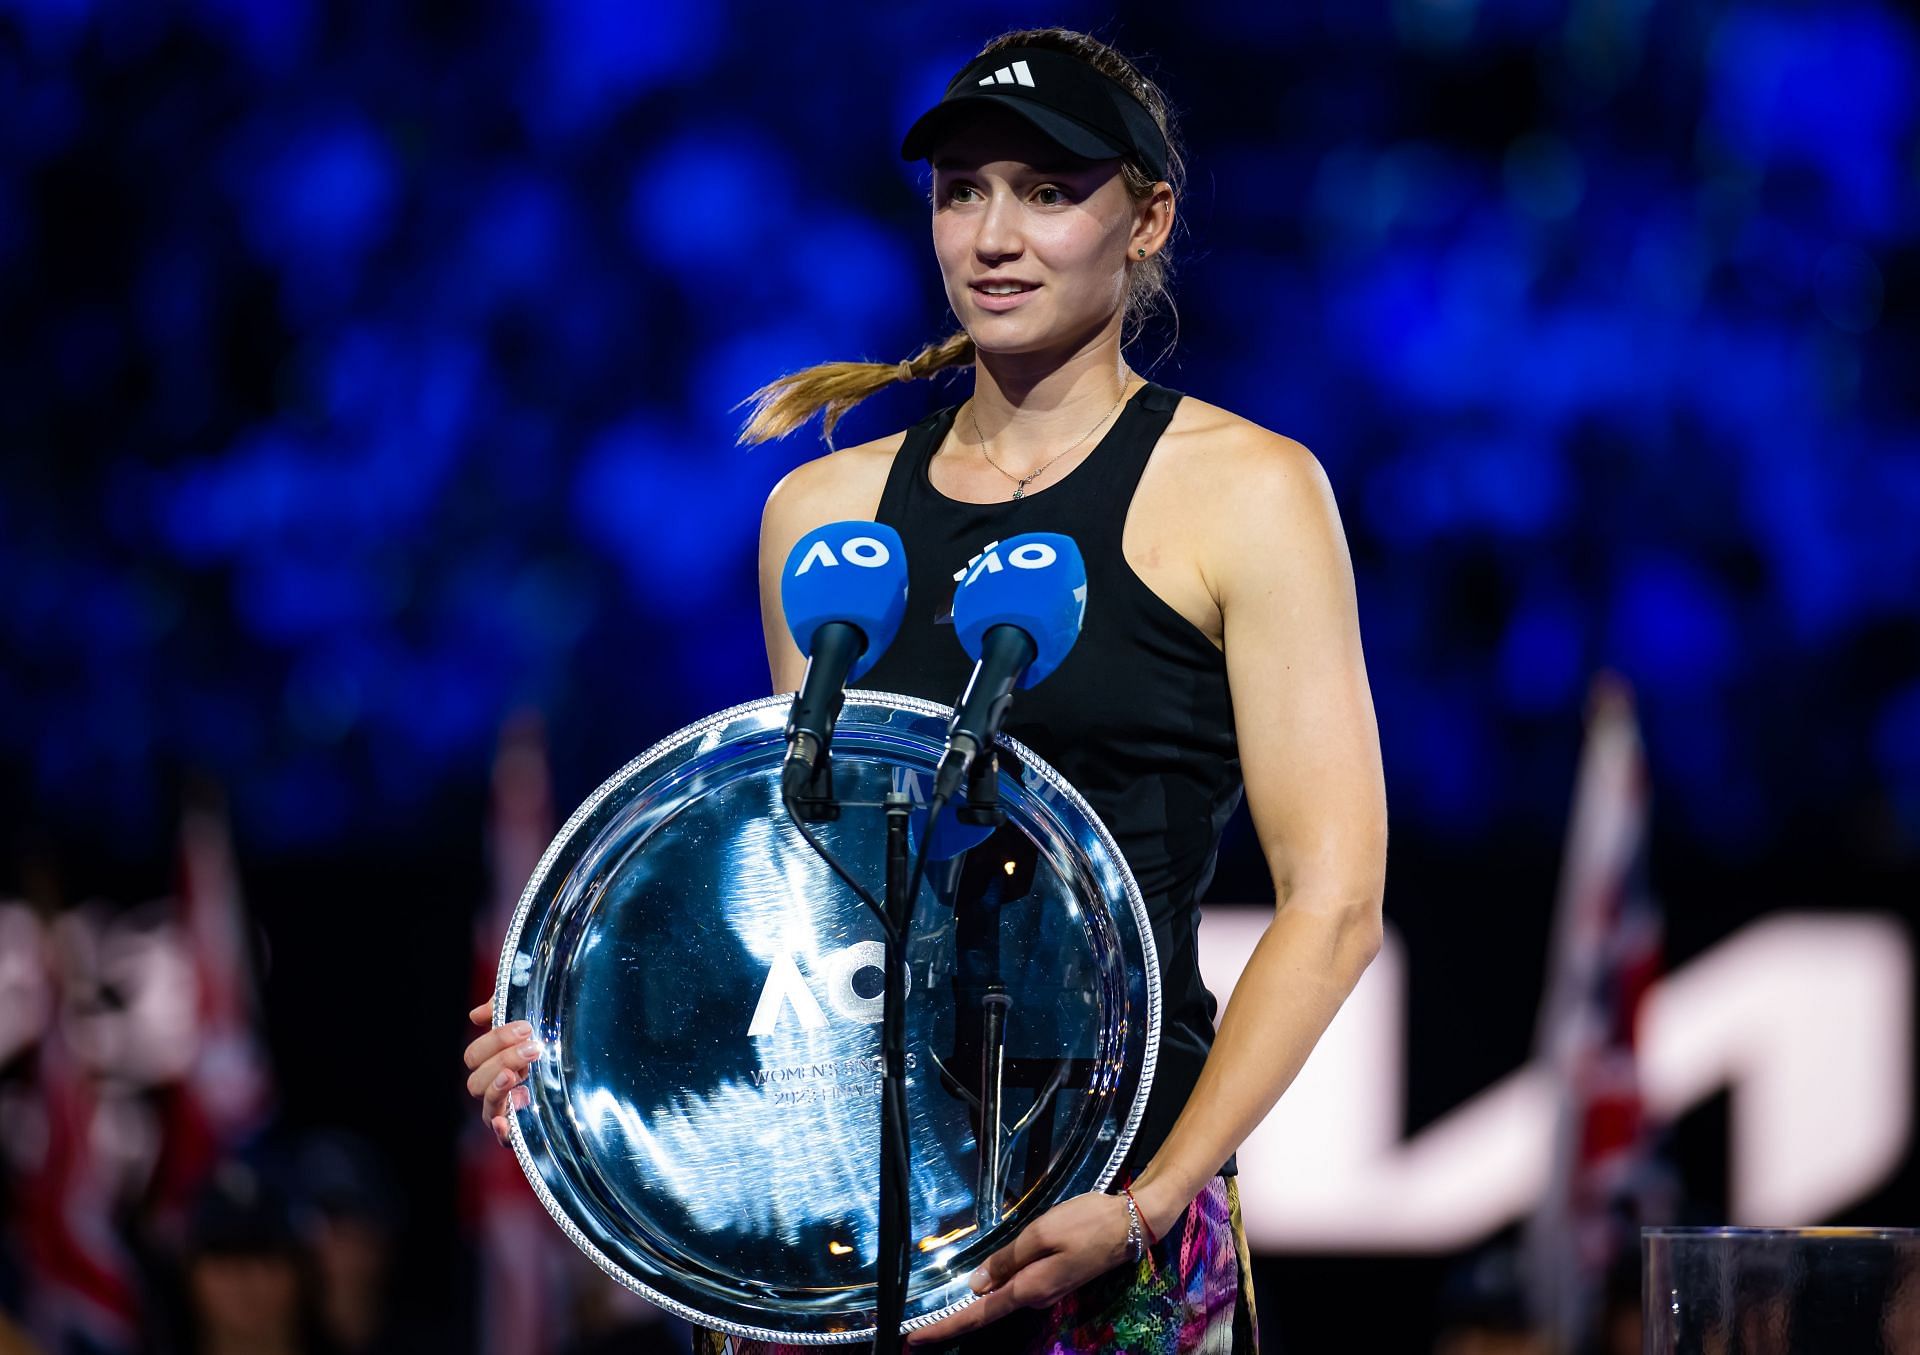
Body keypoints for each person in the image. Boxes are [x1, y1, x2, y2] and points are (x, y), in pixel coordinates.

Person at [463, 25, 1386, 1354]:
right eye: (964, 191)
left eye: (1049, 193)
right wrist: (590, 1036)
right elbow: (813, 899)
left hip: (1115, 1222)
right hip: (857, 1230)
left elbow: (1337, 904)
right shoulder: (821, 514)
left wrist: (1148, 1205)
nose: (994, 236)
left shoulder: (1248, 494)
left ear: (1148, 218)